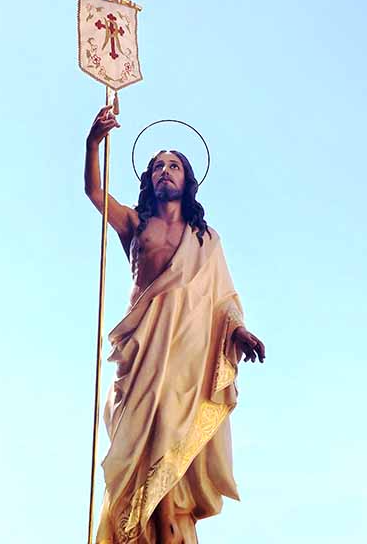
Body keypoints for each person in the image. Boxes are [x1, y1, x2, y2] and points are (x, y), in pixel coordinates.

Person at [85, 105, 266, 544]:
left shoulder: (206, 240)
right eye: (158, 167)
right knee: (139, 446)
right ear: (148, 180)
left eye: (174, 166)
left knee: (169, 437)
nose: (165, 171)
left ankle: (166, 529)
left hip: (184, 357)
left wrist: (238, 331)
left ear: (188, 180)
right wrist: (93, 143)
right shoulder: (135, 224)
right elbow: (94, 192)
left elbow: (222, 299)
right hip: (141, 354)